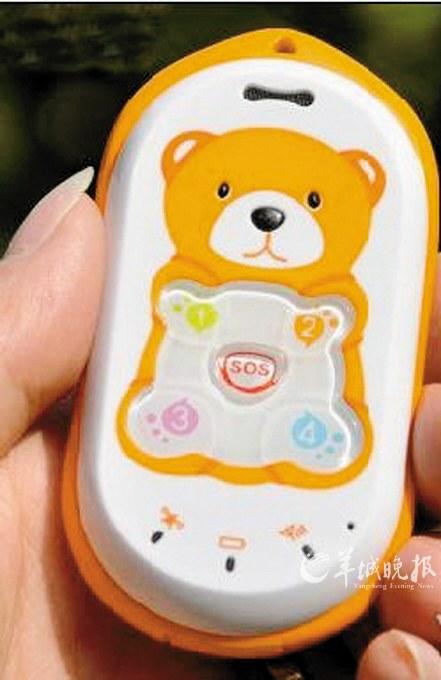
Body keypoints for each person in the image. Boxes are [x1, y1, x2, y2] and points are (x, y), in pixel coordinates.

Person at [0, 169, 440, 679]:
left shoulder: (327, 306)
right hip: (111, 534)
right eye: (224, 191)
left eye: (314, 200)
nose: (269, 215)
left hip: (292, 442)